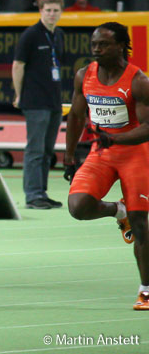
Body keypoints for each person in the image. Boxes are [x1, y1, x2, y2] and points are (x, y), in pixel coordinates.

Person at [64, 22, 149, 310]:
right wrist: (69, 155)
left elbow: (148, 127)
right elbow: (76, 116)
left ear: (121, 46)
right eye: (94, 44)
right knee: (78, 206)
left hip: (136, 153)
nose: (96, 49)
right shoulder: (84, 75)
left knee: (141, 223)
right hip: (103, 151)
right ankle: (118, 210)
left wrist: (115, 138)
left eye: (103, 44)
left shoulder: (138, 81)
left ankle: (146, 291)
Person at [13, 0, 66, 210]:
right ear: (41, 11)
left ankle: (42, 192)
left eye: (55, 10)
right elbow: (18, 65)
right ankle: (33, 195)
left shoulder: (59, 35)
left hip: (53, 100)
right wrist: (19, 94)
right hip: (35, 101)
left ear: (61, 12)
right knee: (35, 150)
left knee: (47, 151)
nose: (52, 14)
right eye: (48, 10)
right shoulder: (31, 35)